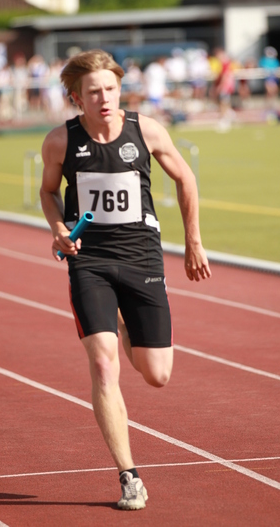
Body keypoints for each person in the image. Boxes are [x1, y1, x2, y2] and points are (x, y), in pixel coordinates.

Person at [39, 49, 211, 511]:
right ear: (77, 98)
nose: (104, 98)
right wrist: (57, 227)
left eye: (111, 89)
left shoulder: (146, 130)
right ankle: (129, 476)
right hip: (89, 261)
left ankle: (121, 321)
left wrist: (193, 242)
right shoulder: (60, 141)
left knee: (157, 374)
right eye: (94, 92)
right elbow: (48, 192)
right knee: (103, 364)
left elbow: (186, 178)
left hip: (141, 258)